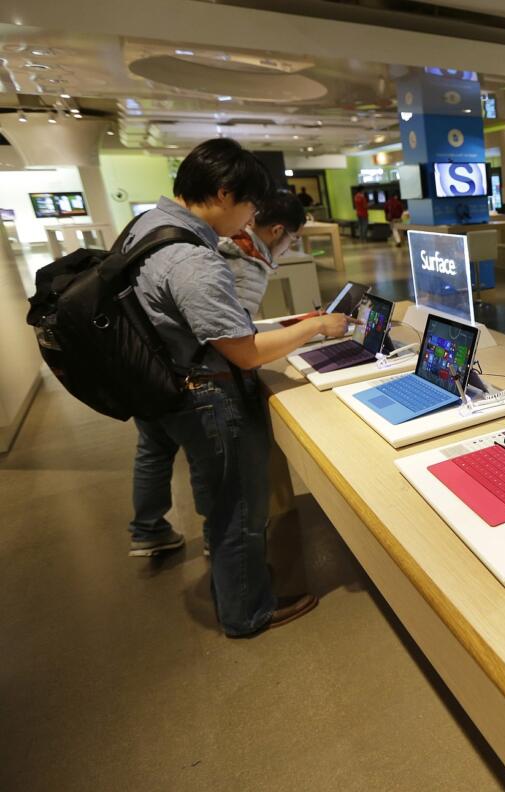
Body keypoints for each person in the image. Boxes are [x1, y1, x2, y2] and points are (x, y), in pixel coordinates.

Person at [125, 138, 349, 637]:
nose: (248, 220)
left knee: (212, 492)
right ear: (225, 194)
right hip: (203, 391)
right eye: (248, 206)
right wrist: (314, 327)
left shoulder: (146, 227)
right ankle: (247, 610)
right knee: (239, 507)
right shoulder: (192, 259)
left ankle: (213, 561)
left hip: (155, 380)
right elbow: (245, 352)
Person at [219, 189, 307, 316]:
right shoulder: (249, 266)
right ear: (277, 231)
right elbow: (236, 334)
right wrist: (316, 326)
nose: (289, 247)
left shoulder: (229, 239)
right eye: (293, 238)